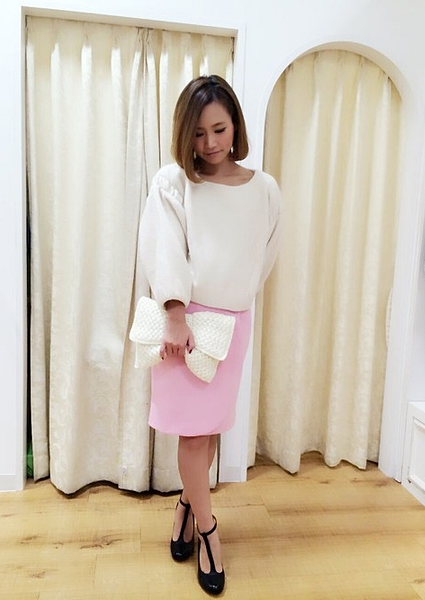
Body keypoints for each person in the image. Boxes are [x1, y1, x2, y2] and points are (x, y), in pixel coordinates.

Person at [138, 74, 281, 595]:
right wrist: (176, 315)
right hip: (186, 325)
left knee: (211, 428)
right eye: (198, 133)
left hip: (233, 323)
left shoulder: (264, 189)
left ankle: (185, 504)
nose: (210, 143)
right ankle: (208, 530)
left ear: (235, 125)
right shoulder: (174, 181)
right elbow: (163, 248)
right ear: (185, 134)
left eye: (219, 129)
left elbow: (264, 256)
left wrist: (237, 301)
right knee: (193, 435)